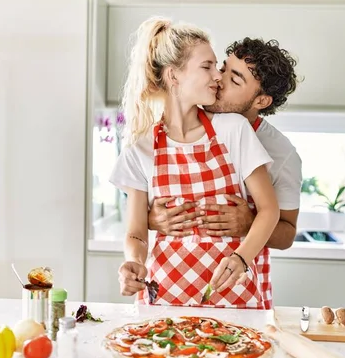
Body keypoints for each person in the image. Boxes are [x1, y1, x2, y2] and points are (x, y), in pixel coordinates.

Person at [109, 17, 279, 309]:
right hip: (164, 298)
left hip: (233, 298)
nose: (217, 76)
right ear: (174, 76)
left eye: (217, 66)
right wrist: (132, 263)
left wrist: (241, 258)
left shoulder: (233, 129)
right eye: (207, 66)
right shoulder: (141, 148)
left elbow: (269, 209)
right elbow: (136, 233)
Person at [148, 38, 303, 309]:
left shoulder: (282, 154)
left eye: (235, 80)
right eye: (222, 68)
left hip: (241, 289)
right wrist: (153, 219)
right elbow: (145, 204)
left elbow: (287, 235)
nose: (218, 80)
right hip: (175, 286)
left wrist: (249, 223)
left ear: (261, 100)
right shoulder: (182, 124)